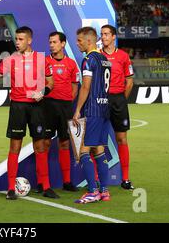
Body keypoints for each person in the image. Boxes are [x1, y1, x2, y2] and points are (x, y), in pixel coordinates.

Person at [0, 26, 57, 200]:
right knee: (15, 147)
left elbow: (51, 82)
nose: (17, 42)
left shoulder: (42, 59)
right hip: (18, 107)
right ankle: (11, 188)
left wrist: (42, 92)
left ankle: (46, 186)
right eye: (16, 39)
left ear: (29, 40)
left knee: (40, 146)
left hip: (37, 107)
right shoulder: (11, 59)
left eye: (21, 39)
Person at [73, 26, 112, 204]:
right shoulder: (105, 59)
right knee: (99, 149)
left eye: (80, 40)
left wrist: (77, 110)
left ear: (89, 41)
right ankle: (104, 191)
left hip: (93, 110)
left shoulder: (88, 60)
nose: (77, 43)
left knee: (84, 151)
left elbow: (86, 87)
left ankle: (92, 191)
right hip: (105, 110)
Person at [42, 31, 79, 192]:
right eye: (50, 42)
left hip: (65, 107)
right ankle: (43, 183)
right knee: (45, 143)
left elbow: (75, 86)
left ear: (63, 44)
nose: (51, 45)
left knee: (64, 142)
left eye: (54, 42)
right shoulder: (43, 62)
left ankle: (67, 182)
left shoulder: (71, 64)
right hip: (47, 106)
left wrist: (67, 101)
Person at [100, 24, 135, 190]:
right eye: (102, 34)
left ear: (113, 36)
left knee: (121, 138)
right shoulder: (97, 56)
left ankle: (125, 179)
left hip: (118, 100)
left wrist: (121, 99)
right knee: (97, 140)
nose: (104, 37)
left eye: (106, 34)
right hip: (101, 100)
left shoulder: (123, 56)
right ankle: (98, 179)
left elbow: (129, 81)